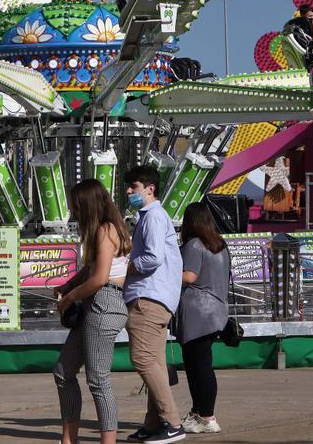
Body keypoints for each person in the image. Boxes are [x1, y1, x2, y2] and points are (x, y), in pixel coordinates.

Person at [53, 179, 133, 444]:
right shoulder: (105, 229)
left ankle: (107, 441)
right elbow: (91, 270)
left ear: (88, 205)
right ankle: (68, 439)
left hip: (105, 302)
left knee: (98, 379)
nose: (74, 213)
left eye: (77, 207)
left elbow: (99, 278)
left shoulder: (105, 230)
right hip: (95, 303)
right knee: (63, 372)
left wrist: (69, 298)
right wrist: (68, 285)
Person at [122, 166, 185, 443]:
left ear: (150, 189)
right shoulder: (151, 217)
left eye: (133, 187)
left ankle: (171, 422)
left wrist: (128, 267)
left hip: (148, 297)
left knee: (143, 359)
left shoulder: (153, 217)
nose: (129, 192)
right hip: (157, 297)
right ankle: (154, 424)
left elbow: (153, 258)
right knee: (155, 364)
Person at [176, 202, 229, 434]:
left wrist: (165, 272)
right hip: (217, 311)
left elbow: (189, 276)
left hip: (197, 312)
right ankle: (200, 413)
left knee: (197, 366)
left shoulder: (194, 244)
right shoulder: (220, 245)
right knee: (203, 364)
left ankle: (206, 416)